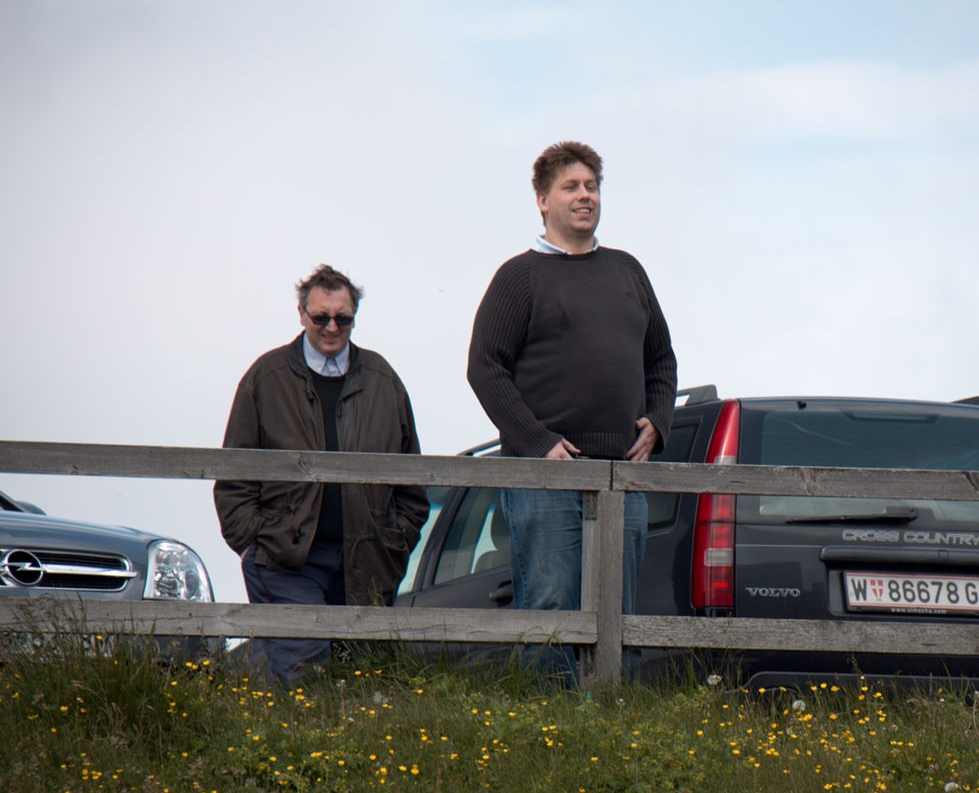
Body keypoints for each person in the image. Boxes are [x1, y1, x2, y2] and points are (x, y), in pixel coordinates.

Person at [467, 141, 678, 684]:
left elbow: (661, 358)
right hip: (546, 475)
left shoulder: (628, 271)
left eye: (592, 186)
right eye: (571, 187)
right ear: (543, 200)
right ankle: (551, 721)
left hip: (621, 474)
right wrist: (538, 442)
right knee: (551, 607)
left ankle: (609, 717)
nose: (585, 196)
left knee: (616, 613)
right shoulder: (520, 276)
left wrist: (659, 420)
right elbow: (485, 368)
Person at [215, 264, 428, 686]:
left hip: (367, 559)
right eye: (320, 317)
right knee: (304, 672)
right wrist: (257, 541)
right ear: (301, 314)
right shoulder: (266, 377)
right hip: (287, 558)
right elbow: (233, 475)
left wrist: (395, 540)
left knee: (363, 680)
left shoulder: (383, 380)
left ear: (354, 317)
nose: (331, 327)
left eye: (342, 318)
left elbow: (412, 476)